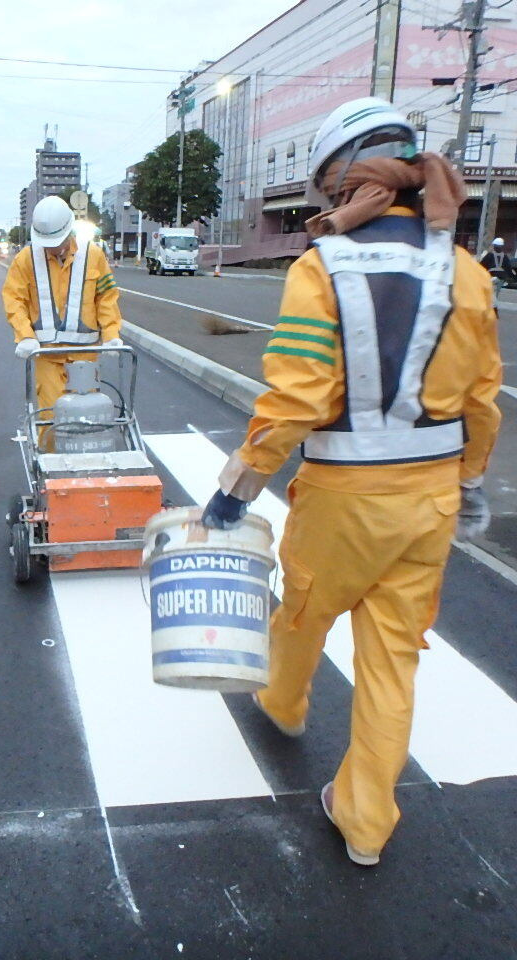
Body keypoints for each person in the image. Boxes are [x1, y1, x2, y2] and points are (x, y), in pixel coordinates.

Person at [201, 97, 501, 867]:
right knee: (394, 659)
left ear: (341, 180)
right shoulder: (464, 271)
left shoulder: (322, 265)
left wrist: (238, 485)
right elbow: (482, 401)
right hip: (430, 502)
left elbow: (296, 401)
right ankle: (365, 823)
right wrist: (467, 480)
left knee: (303, 607)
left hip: (343, 500)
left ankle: (283, 700)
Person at [2, 195, 122, 446]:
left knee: (87, 420)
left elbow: (106, 298)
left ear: (69, 231)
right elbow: (14, 299)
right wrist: (24, 335)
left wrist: (111, 335)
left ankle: (85, 470)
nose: (52, 248)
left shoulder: (93, 255)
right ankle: (53, 474)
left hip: (85, 356)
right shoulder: (25, 259)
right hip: (46, 356)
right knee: (50, 420)